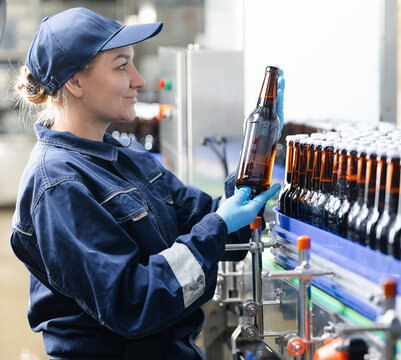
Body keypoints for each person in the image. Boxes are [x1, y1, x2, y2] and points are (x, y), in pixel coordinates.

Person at [10, 7, 284, 360]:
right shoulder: (59, 186)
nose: (139, 80)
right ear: (75, 81)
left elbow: (209, 221)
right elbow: (131, 304)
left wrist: (257, 158)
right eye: (122, 65)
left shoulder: (127, 156)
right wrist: (217, 226)